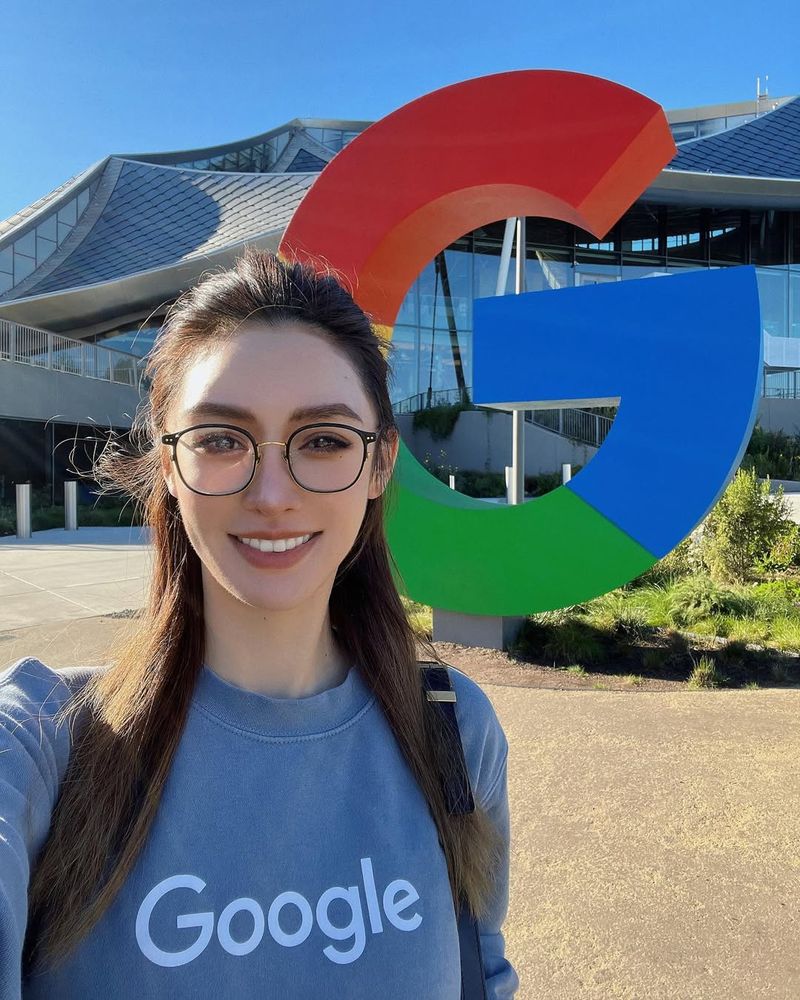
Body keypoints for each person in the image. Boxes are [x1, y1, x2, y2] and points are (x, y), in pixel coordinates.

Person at [0, 249, 519, 998]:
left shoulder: (455, 733)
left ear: (380, 465)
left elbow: (485, 970)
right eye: (219, 439)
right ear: (169, 466)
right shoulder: (43, 743)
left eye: (325, 440)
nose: (272, 494)